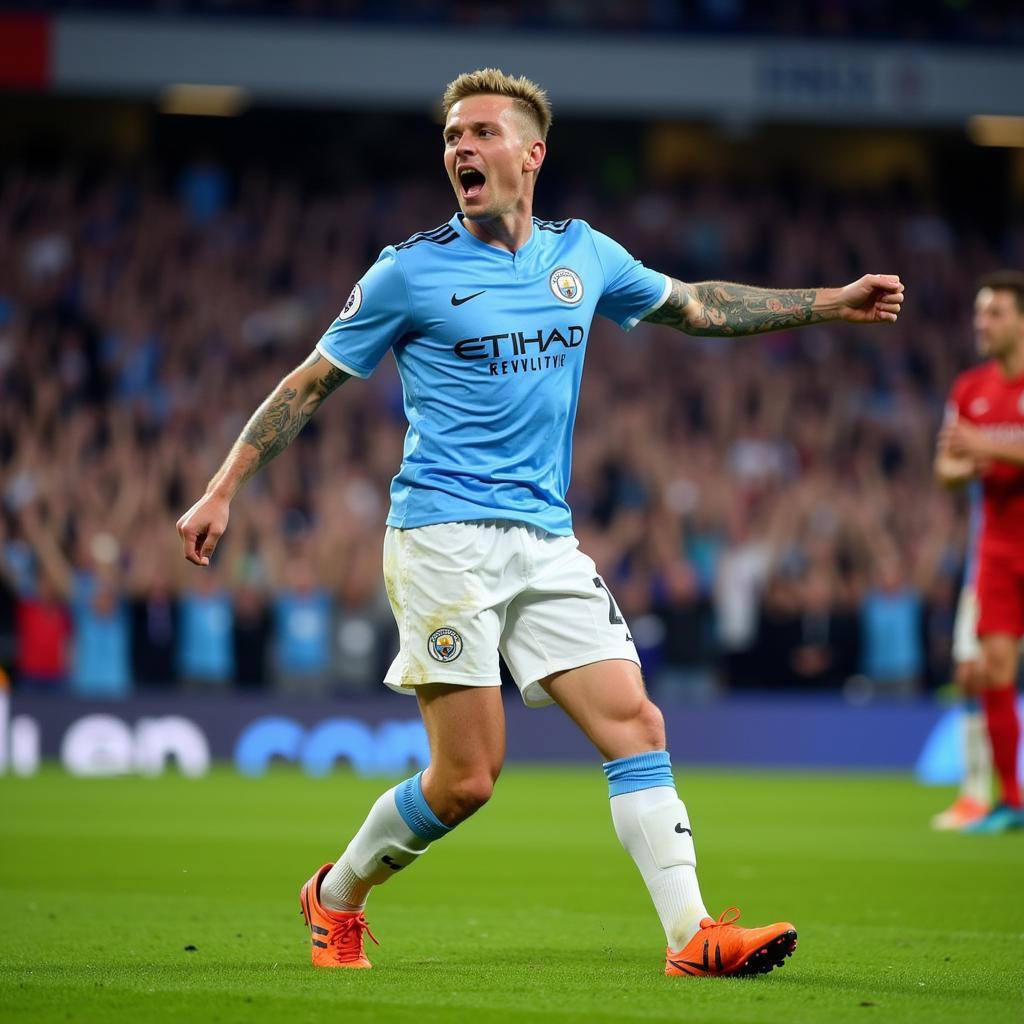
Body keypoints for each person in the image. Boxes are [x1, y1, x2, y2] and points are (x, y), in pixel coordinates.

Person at [177, 68, 905, 975]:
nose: (461, 148)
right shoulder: (408, 270)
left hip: (546, 539)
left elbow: (698, 306)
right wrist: (222, 487)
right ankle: (335, 897)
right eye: (451, 136)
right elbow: (308, 383)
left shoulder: (584, 256)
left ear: (532, 154)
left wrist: (831, 302)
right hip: (443, 539)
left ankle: (692, 937)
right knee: (466, 781)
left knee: (636, 725)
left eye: (481, 132)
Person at [937, 271, 1024, 833]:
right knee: (993, 670)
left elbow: (973, 450)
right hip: (997, 547)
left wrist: (985, 448)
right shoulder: (969, 389)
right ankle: (1012, 801)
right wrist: (976, 459)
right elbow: (946, 469)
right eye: (978, 314)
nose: (982, 324)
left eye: (993, 313)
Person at [930, 482, 992, 830]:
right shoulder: (980, 429)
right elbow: (949, 469)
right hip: (983, 574)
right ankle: (975, 795)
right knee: (969, 676)